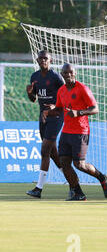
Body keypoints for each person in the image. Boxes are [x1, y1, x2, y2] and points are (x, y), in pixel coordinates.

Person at [42, 63, 107, 201]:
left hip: (81, 131)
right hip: (66, 131)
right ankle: (78, 192)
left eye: (71, 72)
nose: (68, 75)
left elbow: (95, 108)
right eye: (65, 73)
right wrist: (49, 112)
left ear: (75, 73)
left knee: (79, 164)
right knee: (64, 162)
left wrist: (79, 112)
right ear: (62, 75)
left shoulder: (82, 89)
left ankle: (102, 177)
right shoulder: (61, 90)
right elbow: (60, 109)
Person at [26, 50, 65, 198]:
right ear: (37, 60)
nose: (43, 60)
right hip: (43, 117)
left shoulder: (56, 77)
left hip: (56, 116)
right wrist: (30, 93)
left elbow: (65, 95)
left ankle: (38, 188)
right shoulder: (34, 76)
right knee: (53, 153)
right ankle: (72, 180)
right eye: (40, 58)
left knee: (44, 150)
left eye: (45, 58)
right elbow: (34, 99)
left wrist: (56, 106)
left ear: (50, 60)